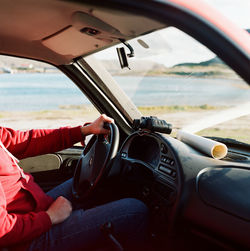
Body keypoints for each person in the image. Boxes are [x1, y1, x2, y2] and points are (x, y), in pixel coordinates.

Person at [0, 114, 149, 251]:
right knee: (135, 210)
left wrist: (84, 131)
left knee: (91, 183)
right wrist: (50, 217)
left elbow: (24, 140)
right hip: (28, 240)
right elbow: (3, 231)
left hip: (35, 211)